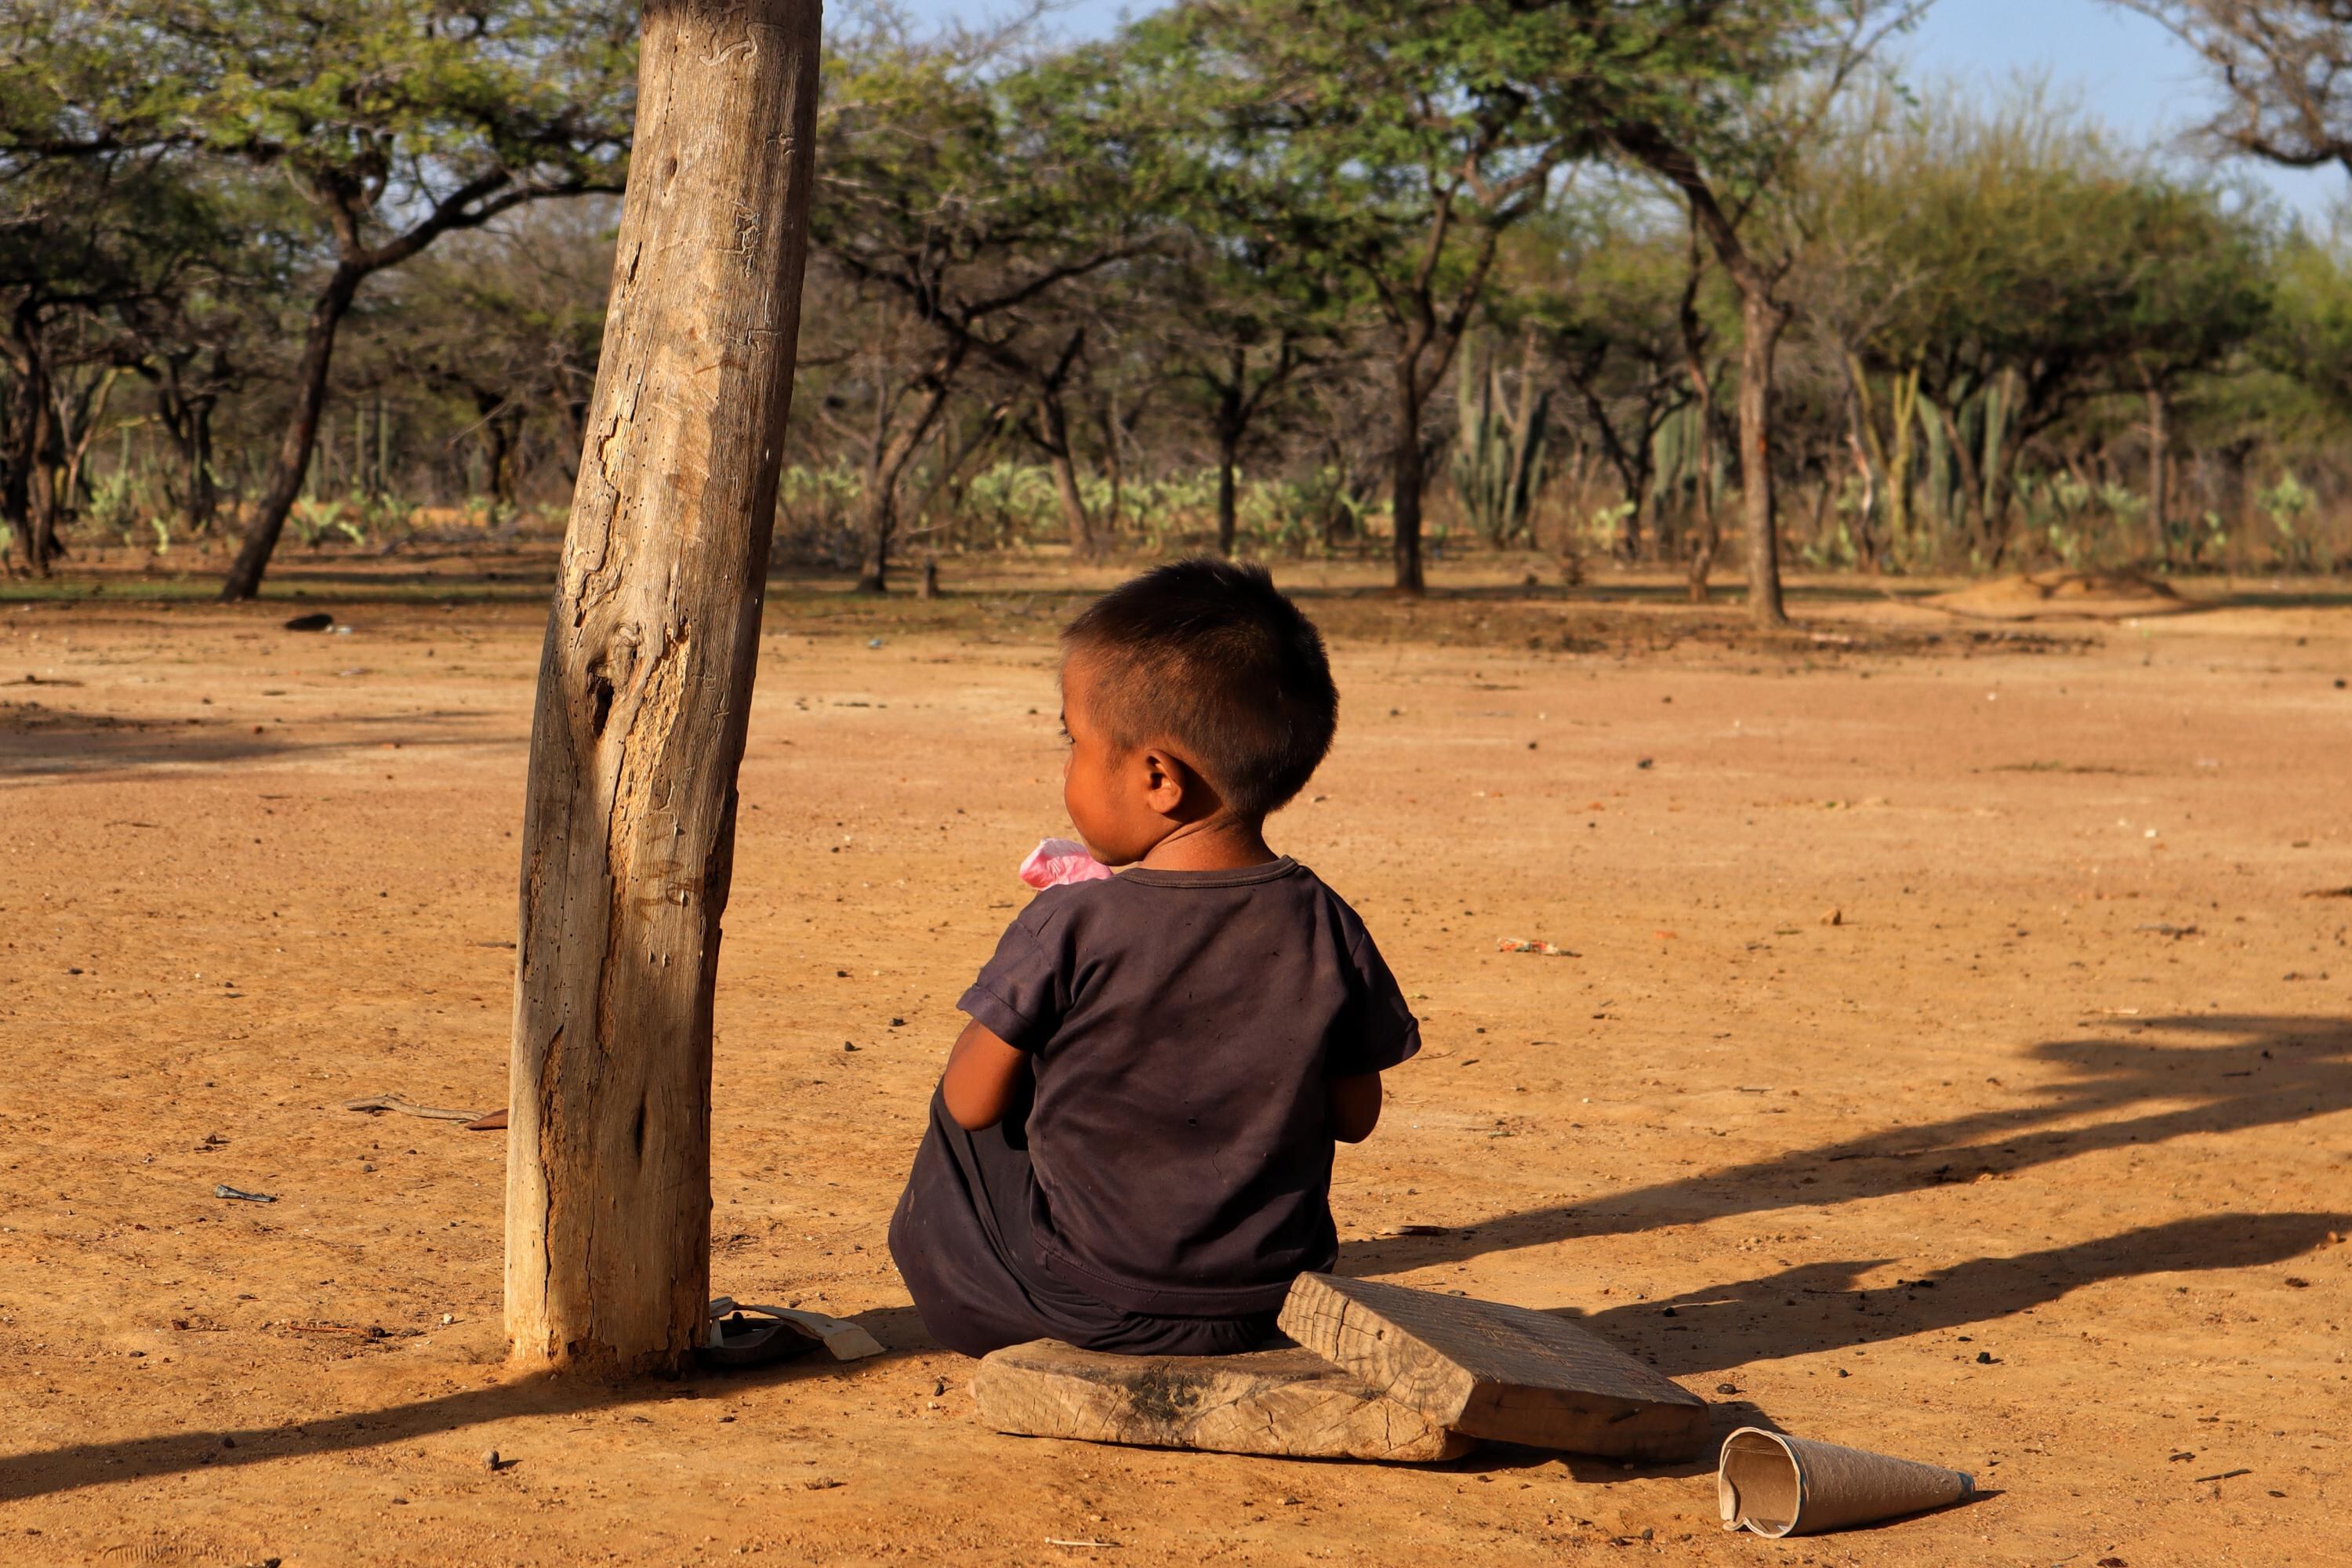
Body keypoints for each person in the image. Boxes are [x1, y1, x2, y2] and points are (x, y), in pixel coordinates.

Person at [887, 558, 1421, 1357]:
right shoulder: (1327, 922)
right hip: (1272, 1302)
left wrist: (1019, 1014)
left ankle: (1000, 1312)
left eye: (1074, 739)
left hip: (1088, 1301)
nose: (1065, 763)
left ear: (1158, 776)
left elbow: (970, 1104)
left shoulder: (1070, 922)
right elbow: (1356, 1116)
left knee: (971, 1088)